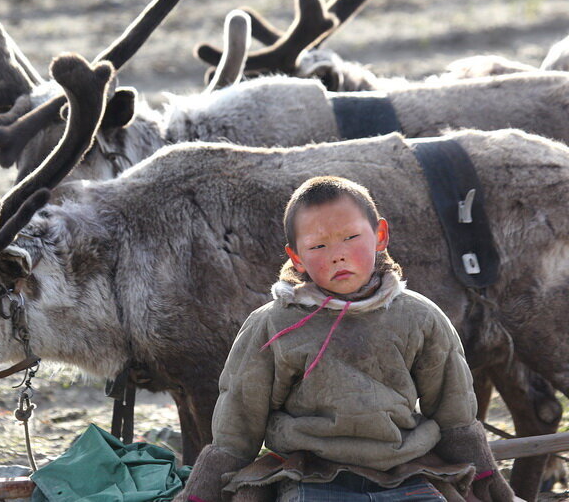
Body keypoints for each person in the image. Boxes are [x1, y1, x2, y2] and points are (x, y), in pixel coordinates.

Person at [176, 176, 515, 502]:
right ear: (297, 257)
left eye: (350, 237)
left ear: (380, 235)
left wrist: (491, 484)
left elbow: (454, 413)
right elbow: (237, 426)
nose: (337, 254)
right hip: (308, 473)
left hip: (406, 469)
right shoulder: (273, 324)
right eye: (318, 245)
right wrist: (199, 494)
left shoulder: (419, 317)